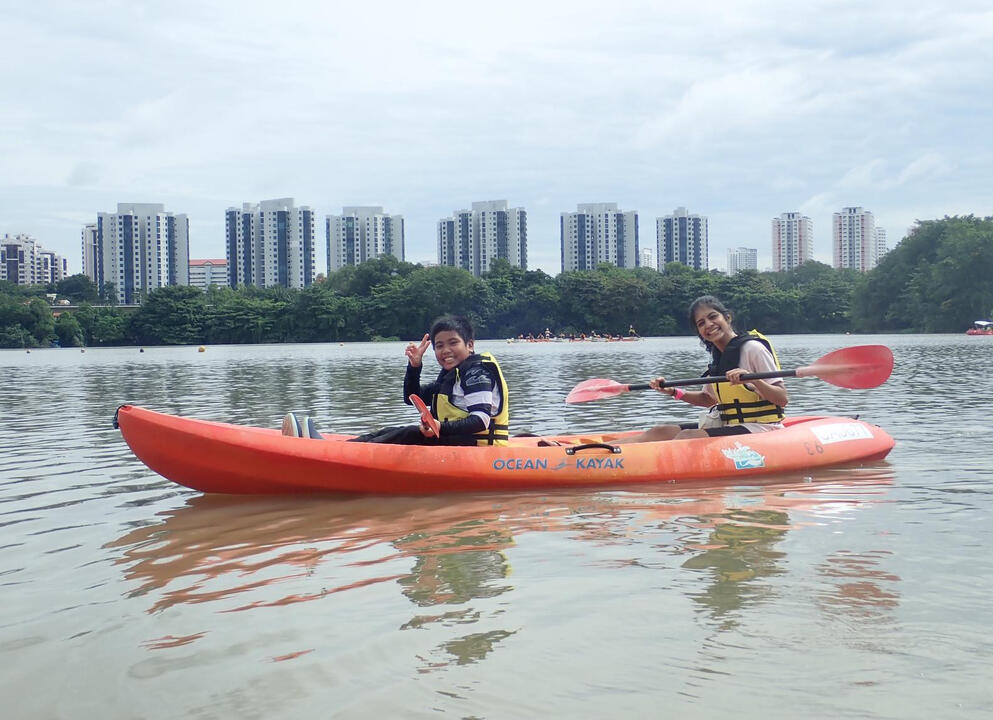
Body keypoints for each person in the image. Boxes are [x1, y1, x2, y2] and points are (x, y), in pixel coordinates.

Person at [283, 314, 510, 445]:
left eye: (453, 343)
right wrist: (414, 367)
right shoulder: (452, 375)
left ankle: (332, 452)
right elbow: (412, 398)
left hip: (478, 448)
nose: (445, 350)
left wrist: (440, 426)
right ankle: (338, 448)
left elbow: (481, 420)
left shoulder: (476, 373)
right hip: (458, 442)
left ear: (469, 345)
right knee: (391, 430)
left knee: (410, 433)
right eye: (439, 345)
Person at [616, 295, 788, 443]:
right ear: (699, 331)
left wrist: (753, 379)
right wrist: (673, 392)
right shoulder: (719, 356)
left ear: (727, 318)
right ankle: (599, 453)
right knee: (660, 431)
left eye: (713, 317)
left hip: (763, 429)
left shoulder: (753, 349)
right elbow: (708, 399)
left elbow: (782, 399)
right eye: (701, 323)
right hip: (731, 425)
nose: (708, 324)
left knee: (688, 436)